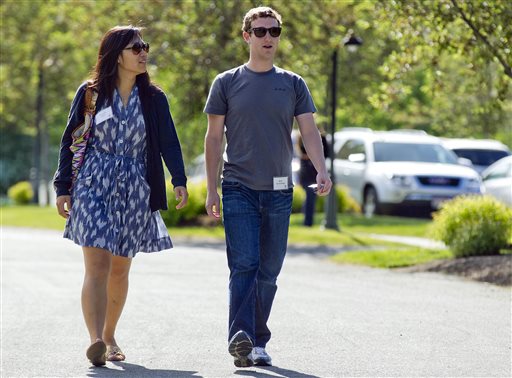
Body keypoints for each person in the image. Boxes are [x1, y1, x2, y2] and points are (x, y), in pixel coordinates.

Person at [204, 6, 332, 368]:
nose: (267, 38)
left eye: (274, 32)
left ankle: (256, 340)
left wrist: (321, 170)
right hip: (238, 186)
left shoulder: (293, 83)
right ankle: (241, 336)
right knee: (245, 263)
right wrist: (212, 190)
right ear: (246, 36)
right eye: (260, 31)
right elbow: (214, 139)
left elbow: (309, 131)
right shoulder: (226, 83)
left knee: (269, 269)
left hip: (279, 189)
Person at [53, 25, 188, 367]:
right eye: (136, 47)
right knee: (96, 265)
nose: (143, 52)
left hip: (135, 186)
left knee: (119, 269)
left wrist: (179, 179)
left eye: (145, 46)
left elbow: (169, 142)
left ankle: (110, 334)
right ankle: (96, 340)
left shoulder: (154, 98)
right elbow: (72, 139)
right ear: (116, 55)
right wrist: (63, 186)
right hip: (93, 182)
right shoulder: (91, 93)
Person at [297, 132, 329, 226]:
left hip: (315, 172)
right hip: (307, 172)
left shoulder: (322, 137)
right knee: (310, 196)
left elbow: (326, 153)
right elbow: (301, 154)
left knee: (310, 197)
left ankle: (307, 220)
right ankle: (308, 222)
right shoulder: (301, 136)